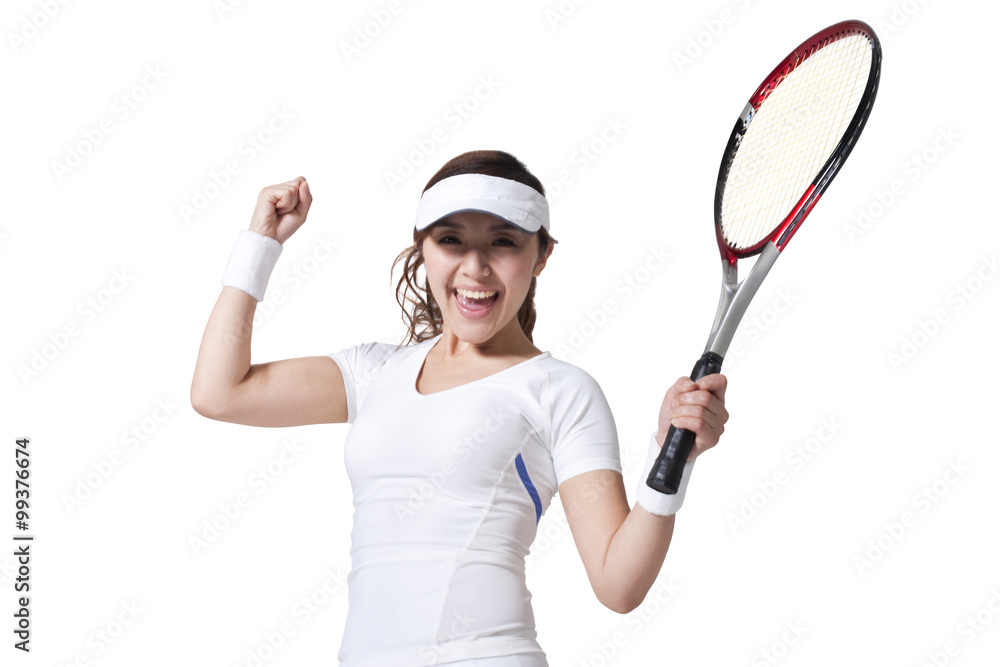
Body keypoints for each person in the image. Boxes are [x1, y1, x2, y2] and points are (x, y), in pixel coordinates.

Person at [190, 150, 729, 666]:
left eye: (503, 242)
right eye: (451, 240)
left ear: (541, 254)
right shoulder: (373, 372)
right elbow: (219, 392)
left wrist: (672, 455)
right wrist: (260, 243)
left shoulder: (561, 390)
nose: (475, 268)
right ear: (423, 248)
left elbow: (619, 584)